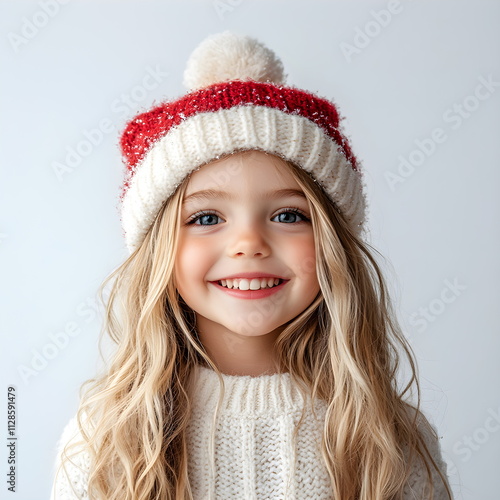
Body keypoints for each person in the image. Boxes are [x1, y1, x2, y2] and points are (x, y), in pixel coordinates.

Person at [50, 31, 453, 500]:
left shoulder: (389, 440)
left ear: (332, 246)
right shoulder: (106, 441)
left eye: (287, 215)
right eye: (205, 218)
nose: (248, 244)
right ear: (161, 251)